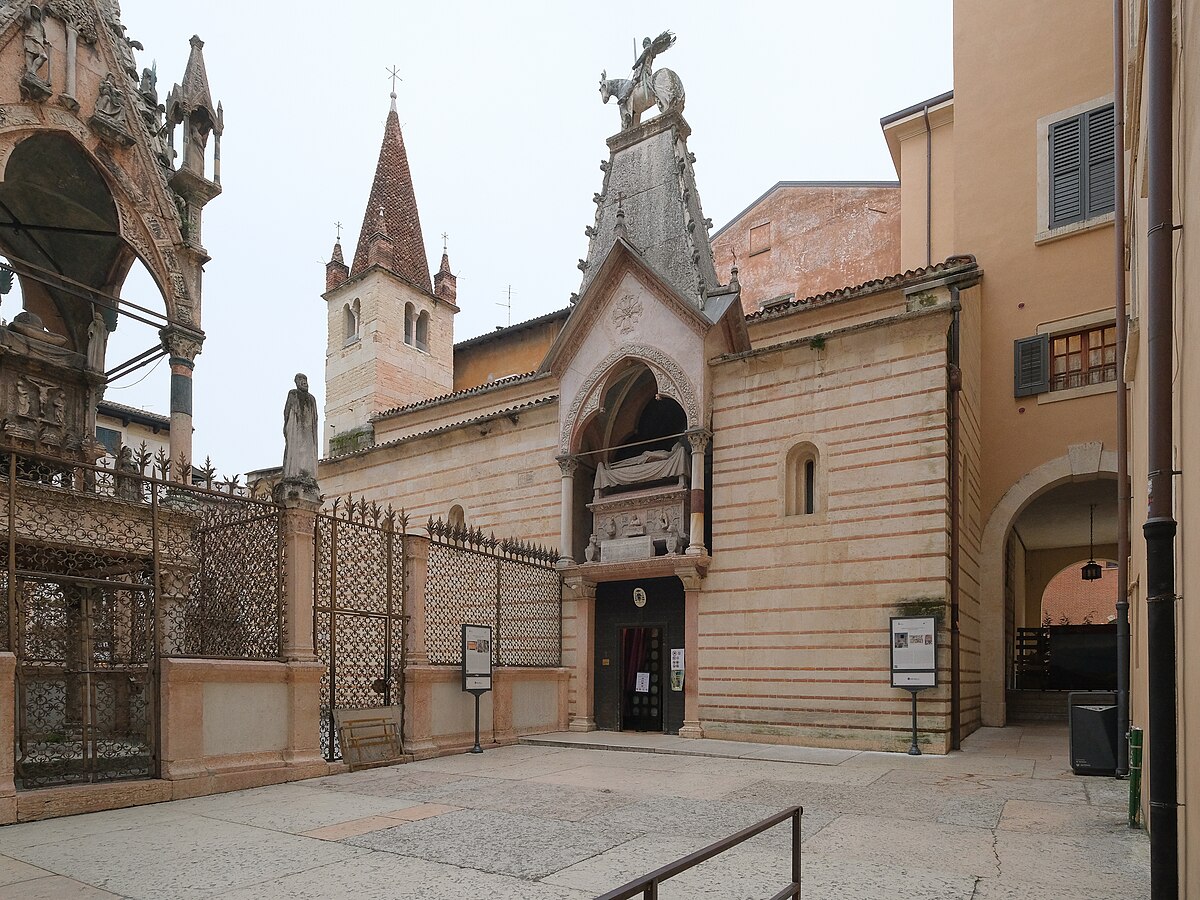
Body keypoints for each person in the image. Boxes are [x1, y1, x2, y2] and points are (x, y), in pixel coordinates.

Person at [282, 373, 318, 483]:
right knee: (296, 451)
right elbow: (287, 412)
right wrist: (287, 427)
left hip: (308, 433)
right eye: (301, 379)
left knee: (307, 454)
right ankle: (294, 473)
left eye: (305, 379)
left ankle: (307, 475)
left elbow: (315, 417)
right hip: (296, 430)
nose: (304, 382)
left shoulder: (312, 399)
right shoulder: (293, 394)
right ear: (296, 382)